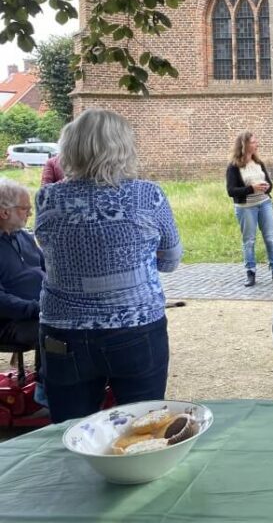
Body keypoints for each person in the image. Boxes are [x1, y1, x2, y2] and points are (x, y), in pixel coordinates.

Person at [34, 109, 182, 423]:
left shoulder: (47, 198)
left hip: (64, 332)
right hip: (136, 327)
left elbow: (49, 251)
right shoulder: (148, 195)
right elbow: (171, 260)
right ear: (124, 148)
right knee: (143, 426)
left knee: (72, 430)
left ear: (70, 147)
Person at [226, 131, 273, 287]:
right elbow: (231, 191)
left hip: (264, 203)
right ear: (244, 145)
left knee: (270, 238)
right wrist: (252, 188)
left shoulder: (259, 163)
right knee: (249, 240)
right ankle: (250, 272)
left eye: (256, 141)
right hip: (246, 207)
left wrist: (266, 187)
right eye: (253, 142)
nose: (257, 144)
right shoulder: (233, 167)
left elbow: (270, 185)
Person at [0, 179, 42, 349]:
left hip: (38, 310)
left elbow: (50, 269)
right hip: (9, 322)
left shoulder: (23, 236)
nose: (30, 214)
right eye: (25, 209)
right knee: (55, 329)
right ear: (5, 212)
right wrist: (38, 308)